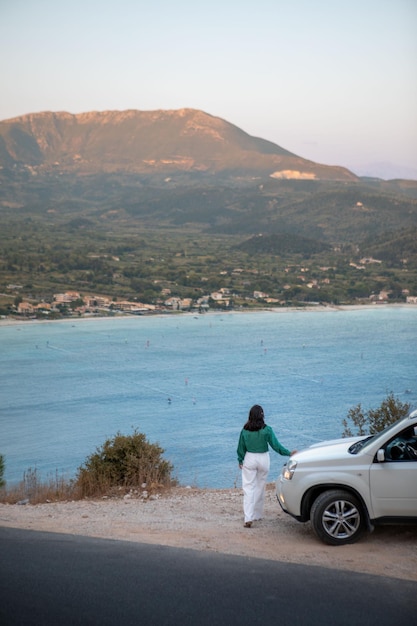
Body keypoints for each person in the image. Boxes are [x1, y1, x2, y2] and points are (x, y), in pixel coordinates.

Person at [237, 404, 296, 528]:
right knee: (260, 486)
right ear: (262, 415)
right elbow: (276, 445)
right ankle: (257, 515)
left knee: (248, 488)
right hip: (263, 458)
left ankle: (248, 517)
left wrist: (240, 460)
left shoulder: (244, 430)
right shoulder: (267, 430)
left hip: (250, 458)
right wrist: (289, 453)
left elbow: (241, 448)